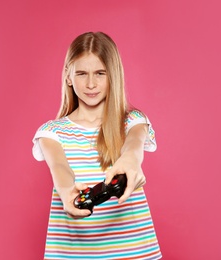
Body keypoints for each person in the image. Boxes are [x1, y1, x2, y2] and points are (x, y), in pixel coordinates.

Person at [32, 32, 162, 259]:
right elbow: (59, 168)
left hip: (134, 252)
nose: (91, 84)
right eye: (82, 73)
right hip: (74, 254)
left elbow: (134, 145)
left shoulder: (133, 122)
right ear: (68, 76)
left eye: (100, 73)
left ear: (113, 75)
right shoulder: (51, 132)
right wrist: (66, 190)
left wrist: (130, 161)